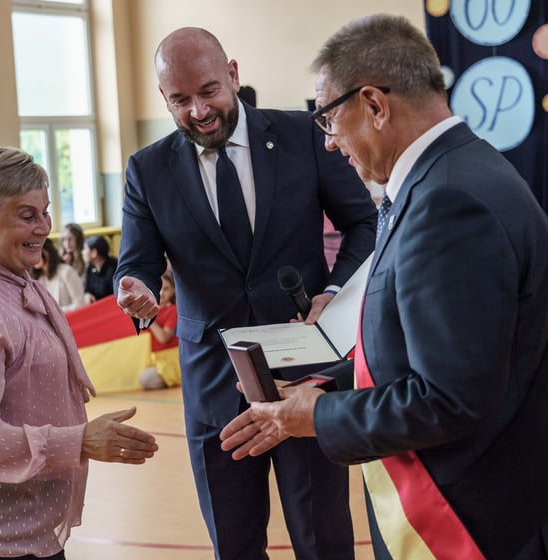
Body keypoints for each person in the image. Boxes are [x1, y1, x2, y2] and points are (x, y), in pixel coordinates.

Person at [220, 14, 548, 560]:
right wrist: (318, 389)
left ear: (375, 105)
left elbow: (449, 398)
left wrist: (315, 416)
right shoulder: (454, 176)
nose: (330, 144)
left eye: (327, 120)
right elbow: (428, 350)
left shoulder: (448, 203)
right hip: (503, 508)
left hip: (488, 523)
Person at [114, 27, 377, 560]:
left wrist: (332, 292)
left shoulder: (304, 134)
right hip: (214, 386)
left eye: (208, 91)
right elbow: (137, 262)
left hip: (306, 380)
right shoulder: (147, 169)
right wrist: (134, 287)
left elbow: (365, 227)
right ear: (164, 99)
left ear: (233, 75)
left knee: (324, 540)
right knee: (234, 547)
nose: (199, 111)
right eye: (180, 100)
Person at [0, 146, 158, 560]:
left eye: (45, 212)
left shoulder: (12, 280)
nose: (45, 227)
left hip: (22, 526)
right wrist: (79, 441)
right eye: (27, 215)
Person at [138, 269, 179, 390]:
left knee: (145, 379)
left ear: (173, 291)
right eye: (158, 288)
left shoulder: (173, 310)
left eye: (166, 289)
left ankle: (175, 377)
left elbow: (163, 337)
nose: (161, 293)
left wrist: (149, 319)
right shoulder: (148, 309)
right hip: (154, 359)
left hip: (170, 361)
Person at [31, 237, 85, 312]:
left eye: (35, 252)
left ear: (47, 251)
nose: (32, 257)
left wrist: (54, 312)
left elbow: (81, 304)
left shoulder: (67, 272)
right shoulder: (38, 277)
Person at [82, 235, 117, 303]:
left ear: (94, 253)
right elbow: (87, 290)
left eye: (84, 249)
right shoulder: (91, 268)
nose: (82, 252)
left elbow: (116, 296)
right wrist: (87, 295)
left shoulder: (113, 269)